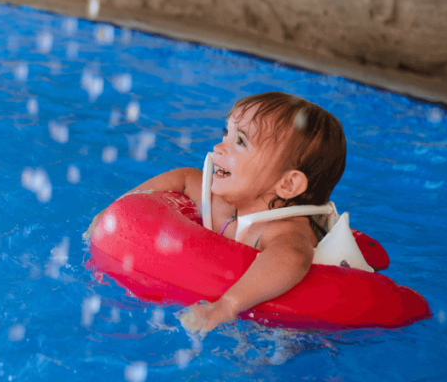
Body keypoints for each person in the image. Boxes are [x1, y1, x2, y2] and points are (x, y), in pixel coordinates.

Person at [92, 91, 347, 335]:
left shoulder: (285, 230)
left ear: (287, 185)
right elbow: (182, 177)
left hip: (282, 325)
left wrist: (227, 306)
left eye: (240, 141)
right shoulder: (221, 202)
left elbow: (293, 258)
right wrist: (113, 209)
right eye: (227, 133)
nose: (219, 147)